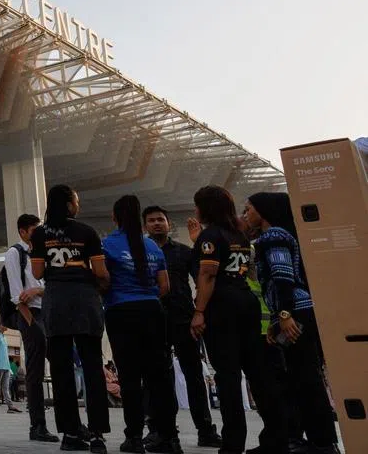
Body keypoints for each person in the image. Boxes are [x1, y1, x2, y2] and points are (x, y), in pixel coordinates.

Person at [189, 185, 287, 454]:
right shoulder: (239, 235)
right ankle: (277, 438)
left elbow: (207, 275)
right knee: (258, 373)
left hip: (222, 305)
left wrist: (198, 312)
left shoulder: (210, 236)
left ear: (205, 207)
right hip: (247, 302)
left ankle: (232, 444)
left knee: (228, 376)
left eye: (198, 204)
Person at [244, 192, 339, 454]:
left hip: (295, 311)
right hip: (295, 311)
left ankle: (322, 443)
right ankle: (319, 440)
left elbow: (282, 275)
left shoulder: (273, 236)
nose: (245, 215)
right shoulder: (283, 234)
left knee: (306, 377)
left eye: (249, 209)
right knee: (302, 377)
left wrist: (284, 316)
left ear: (263, 211)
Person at [30, 184, 111, 453]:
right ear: (68, 204)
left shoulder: (40, 234)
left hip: (56, 302)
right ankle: (97, 433)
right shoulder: (87, 232)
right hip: (85, 300)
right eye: (76, 200)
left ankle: (70, 434)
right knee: (92, 368)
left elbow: (39, 271)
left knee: (61, 369)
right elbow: (100, 271)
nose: (78, 204)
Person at [102, 195, 180, 454]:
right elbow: (165, 286)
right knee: (159, 377)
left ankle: (133, 437)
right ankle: (169, 437)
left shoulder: (108, 245)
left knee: (130, 377)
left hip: (120, 312)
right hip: (153, 312)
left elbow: (102, 279)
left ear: (115, 217)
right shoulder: (153, 248)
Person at [141, 206, 221, 448]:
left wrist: (200, 312)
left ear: (168, 224)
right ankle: (159, 429)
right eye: (152, 221)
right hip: (152, 319)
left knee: (194, 375)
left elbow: (203, 279)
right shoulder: (140, 252)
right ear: (145, 226)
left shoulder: (184, 252)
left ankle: (205, 429)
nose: (157, 224)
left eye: (161, 220)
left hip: (183, 319)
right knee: (155, 377)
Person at [5, 214, 59, 443]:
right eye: (35, 231)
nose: (40, 235)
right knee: (35, 371)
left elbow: (49, 287)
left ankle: (69, 424)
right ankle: (37, 426)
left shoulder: (42, 254)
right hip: (29, 315)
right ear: (23, 232)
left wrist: (37, 291)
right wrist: (31, 325)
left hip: (47, 313)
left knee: (59, 366)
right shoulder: (14, 254)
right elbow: (17, 296)